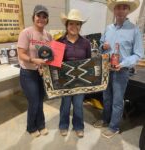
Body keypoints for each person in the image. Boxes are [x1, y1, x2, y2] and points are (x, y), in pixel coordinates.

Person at [94, 0, 144, 139]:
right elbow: (101, 45)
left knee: (117, 100)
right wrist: (102, 47)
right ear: (114, 10)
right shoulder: (108, 28)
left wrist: (123, 64)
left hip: (121, 72)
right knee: (106, 97)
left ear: (128, 11)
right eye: (118, 8)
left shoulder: (134, 30)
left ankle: (114, 126)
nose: (121, 11)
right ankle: (105, 119)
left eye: (124, 8)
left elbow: (139, 54)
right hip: (106, 69)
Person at [17, 5, 52, 138]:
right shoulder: (26, 33)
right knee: (34, 102)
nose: (41, 19)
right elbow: (21, 54)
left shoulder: (48, 35)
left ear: (47, 19)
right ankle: (31, 127)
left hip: (42, 73)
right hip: (28, 73)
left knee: (40, 100)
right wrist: (34, 60)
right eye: (39, 16)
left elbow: (51, 55)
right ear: (33, 17)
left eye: (44, 16)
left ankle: (41, 125)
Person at [58, 9, 91, 138]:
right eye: (71, 23)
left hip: (80, 80)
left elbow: (89, 62)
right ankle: (63, 125)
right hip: (65, 81)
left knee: (78, 105)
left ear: (80, 26)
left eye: (77, 24)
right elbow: (55, 62)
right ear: (66, 25)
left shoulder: (86, 42)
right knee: (65, 105)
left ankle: (78, 126)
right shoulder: (60, 42)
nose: (74, 27)